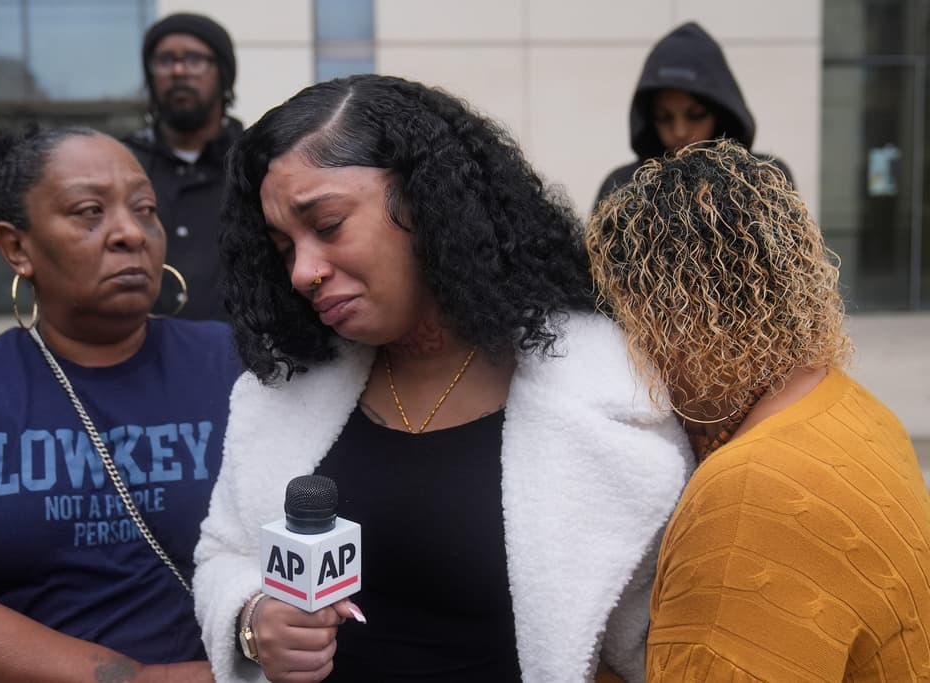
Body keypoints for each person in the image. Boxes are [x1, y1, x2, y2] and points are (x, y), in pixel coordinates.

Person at [192, 73, 694, 683]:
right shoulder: (280, 392)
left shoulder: (613, 386)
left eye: (326, 225)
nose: (303, 272)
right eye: (283, 249)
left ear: (428, 200)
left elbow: (660, 637)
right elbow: (223, 555)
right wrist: (252, 619)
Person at [0, 125, 242, 682]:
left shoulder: (231, 362)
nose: (130, 233)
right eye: (90, 211)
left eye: (145, 210)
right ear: (17, 248)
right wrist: (139, 679)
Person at [586, 139, 930, 681]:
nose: (630, 355)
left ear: (683, 322)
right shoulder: (849, 402)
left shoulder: (746, 493)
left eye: (631, 326)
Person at [593, 21, 793, 206]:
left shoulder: (764, 181)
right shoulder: (624, 188)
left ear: (721, 113)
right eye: (664, 117)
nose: (679, 131)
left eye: (696, 115)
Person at [124, 12, 243, 320]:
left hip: (239, 347)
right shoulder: (122, 164)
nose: (178, 71)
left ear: (223, 73)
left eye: (194, 59)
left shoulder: (253, 162)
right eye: (165, 60)